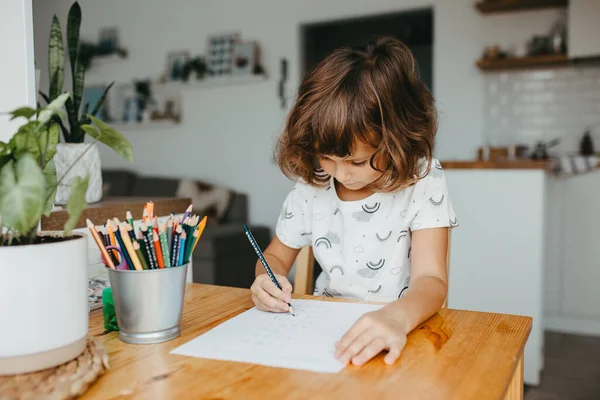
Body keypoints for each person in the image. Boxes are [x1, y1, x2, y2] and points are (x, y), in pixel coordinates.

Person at [250, 36, 458, 367]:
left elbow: (431, 281)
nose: (342, 174)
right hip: (322, 335)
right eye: (327, 158)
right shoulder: (311, 187)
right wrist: (266, 279)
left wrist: (396, 318)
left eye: (357, 162)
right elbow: (274, 255)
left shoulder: (422, 179)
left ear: (395, 140)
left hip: (406, 328)